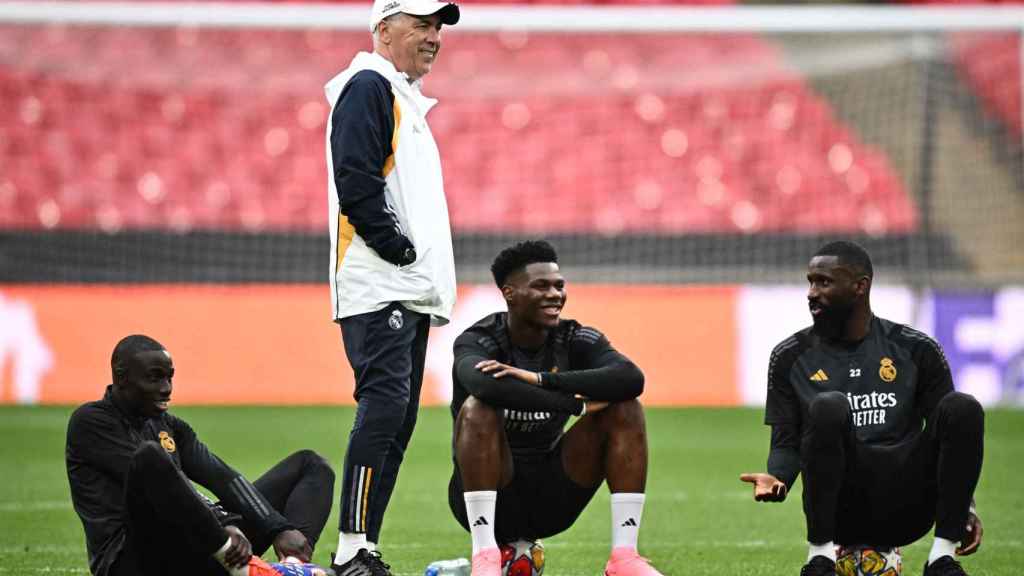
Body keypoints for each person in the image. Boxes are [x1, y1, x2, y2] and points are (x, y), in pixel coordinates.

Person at [739, 241, 985, 576]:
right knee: (829, 406)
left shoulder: (916, 349)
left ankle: (942, 558)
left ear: (860, 286)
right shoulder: (789, 357)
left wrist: (965, 506)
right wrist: (778, 478)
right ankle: (820, 558)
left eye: (823, 282)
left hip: (910, 503)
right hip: (842, 508)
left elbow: (952, 436)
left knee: (963, 407)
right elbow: (785, 443)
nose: (811, 292)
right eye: (810, 282)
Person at [323, 0, 459, 573]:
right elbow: (356, 179)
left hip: (406, 287)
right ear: (384, 28)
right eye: (421, 25)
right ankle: (353, 545)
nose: (433, 37)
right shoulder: (368, 87)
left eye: (437, 28)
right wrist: (399, 250)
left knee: (397, 419)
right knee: (383, 409)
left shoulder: (400, 95)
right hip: (381, 283)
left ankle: (363, 545)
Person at [448, 240, 665, 576]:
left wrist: (540, 380)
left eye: (559, 285)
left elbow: (630, 378)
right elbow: (485, 385)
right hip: (490, 496)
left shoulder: (575, 338)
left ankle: (625, 558)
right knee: (480, 407)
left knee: (627, 409)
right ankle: (485, 556)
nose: (555, 294)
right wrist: (573, 406)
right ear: (510, 293)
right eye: (541, 286)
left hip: (553, 496)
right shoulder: (478, 339)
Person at [66, 335, 336, 576]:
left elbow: (222, 477)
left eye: (169, 376)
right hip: (132, 561)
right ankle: (246, 570)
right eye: (154, 377)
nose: (166, 388)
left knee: (311, 464)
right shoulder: (91, 423)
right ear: (121, 377)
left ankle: (292, 568)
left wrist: (277, 527)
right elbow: (166, 488)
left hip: (195, 550)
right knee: (150, 456)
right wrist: (222, 524)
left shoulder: (169, 426)